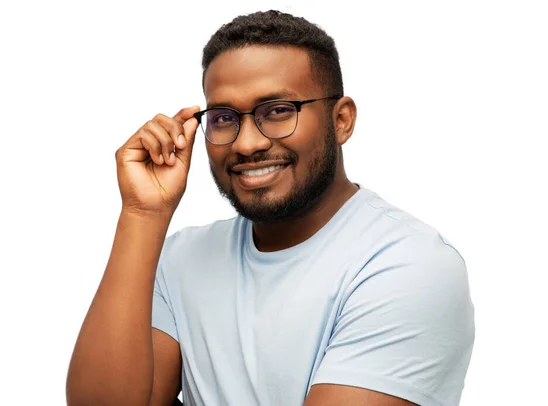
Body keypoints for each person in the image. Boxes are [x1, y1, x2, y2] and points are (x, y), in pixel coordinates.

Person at [66, 10, 475, 406]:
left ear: (342, 120)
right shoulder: (181, 258)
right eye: (224, 117)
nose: (247, 144)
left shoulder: (408, 265)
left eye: (278, 111)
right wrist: (143, 214)